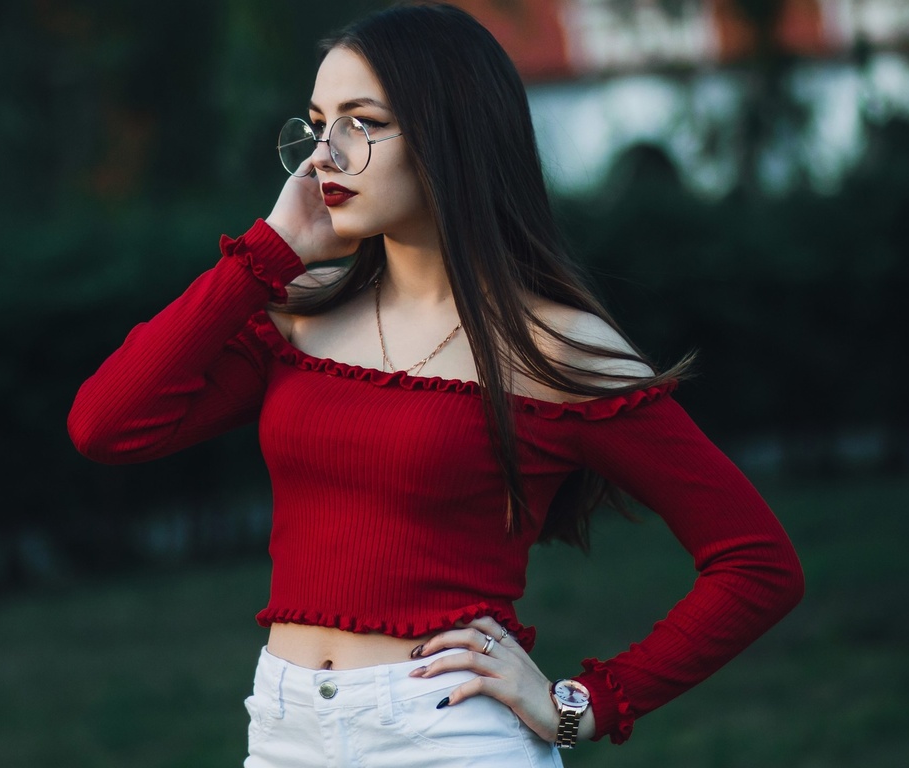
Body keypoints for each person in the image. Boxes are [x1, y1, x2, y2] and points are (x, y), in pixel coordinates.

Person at [67, 4, 803, 766]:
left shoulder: (557, 348)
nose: (324, 156)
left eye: (360, 123)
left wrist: (579, 707)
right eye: (318, 125)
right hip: (284, 729)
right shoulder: (299, 318)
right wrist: (263, 256)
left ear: (451, 134)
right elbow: (107, 425)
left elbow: (757, 563)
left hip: (444, 734)